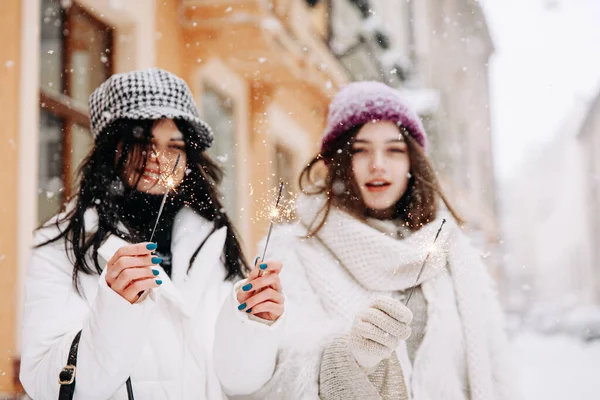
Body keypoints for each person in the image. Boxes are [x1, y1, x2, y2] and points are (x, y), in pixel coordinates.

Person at [214, 81, 514, 399]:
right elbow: (274, 383)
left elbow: (494, 370)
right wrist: (348, 357)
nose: (378, 164)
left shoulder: (449, 250)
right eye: (361, 150)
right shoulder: (294, 251)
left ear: (413, 162)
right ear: (336, 161)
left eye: (394, 150)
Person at [19, 68, 284, 399]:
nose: (159, 159)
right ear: (110, 148)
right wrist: (115, 308)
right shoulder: (60, 247)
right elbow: (49, 386)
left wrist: (254, 325)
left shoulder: (213, 241)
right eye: (142, 143)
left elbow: (239, 384)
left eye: (174, 145)